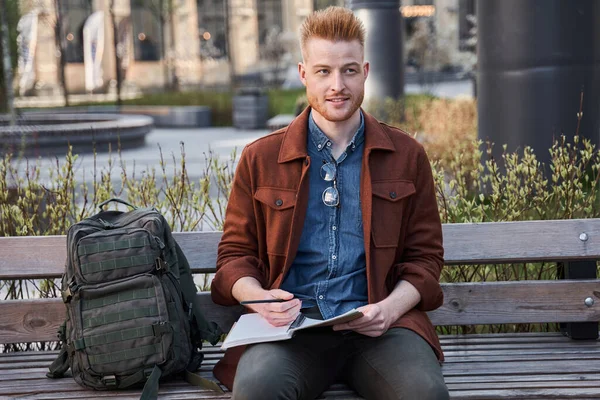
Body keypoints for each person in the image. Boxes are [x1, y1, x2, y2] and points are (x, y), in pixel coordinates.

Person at [210, 6, 448, 400]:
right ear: (304, 74)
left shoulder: (407, 155)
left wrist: (389, 309)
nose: (337, 84)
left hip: (380, 329)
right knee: (257, 391)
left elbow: (425, 259)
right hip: (289, 333)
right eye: (324, 71)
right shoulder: (260, 158)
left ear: (366, 72)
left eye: (349, 70)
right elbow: (235, 256)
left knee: (424, 394)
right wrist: (259, 298)